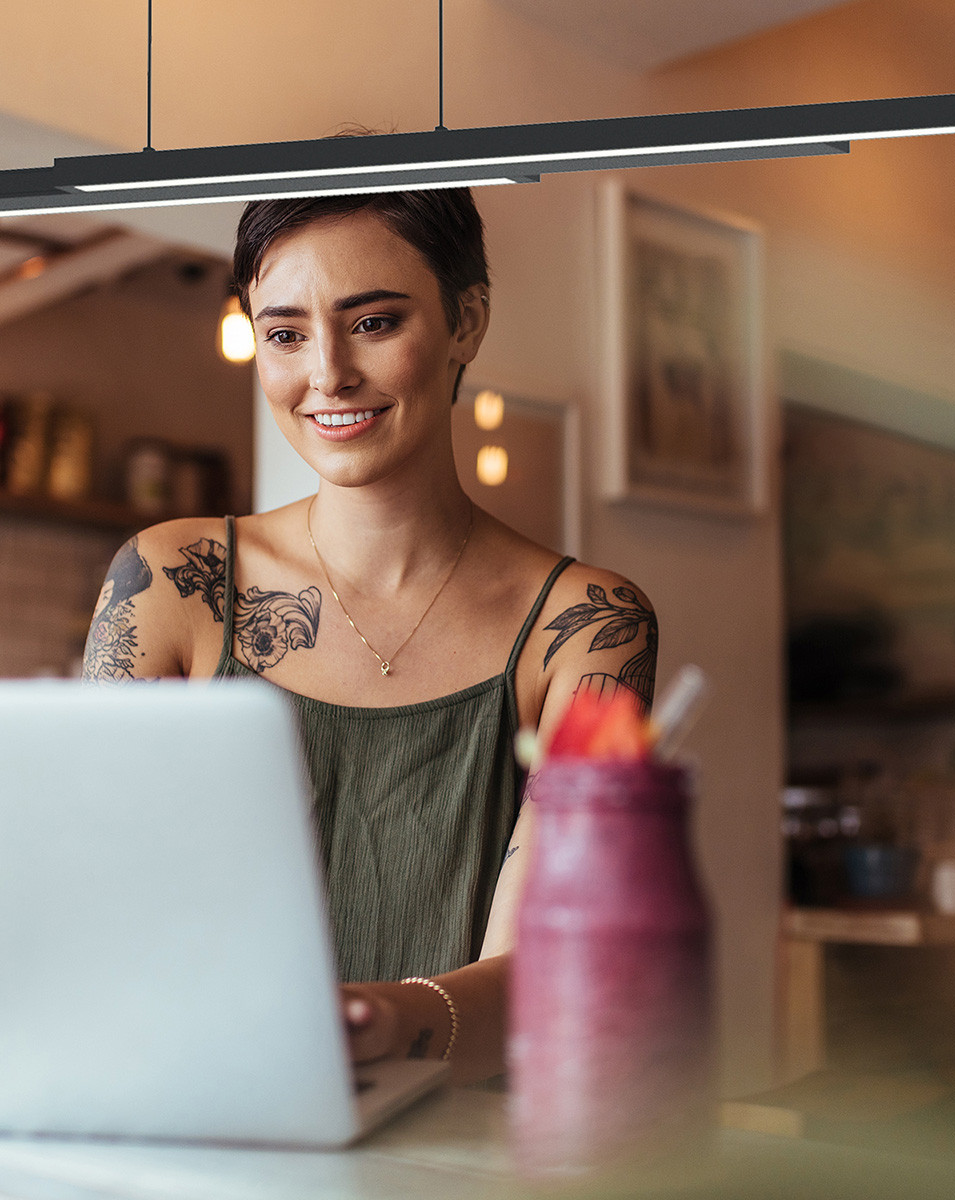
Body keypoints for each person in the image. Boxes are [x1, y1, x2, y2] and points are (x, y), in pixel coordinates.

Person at [82, 188, 657, 1084]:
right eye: (285, 334)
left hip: (453, 1151)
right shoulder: (169, 582)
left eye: (375, 322)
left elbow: (562, 962)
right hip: (198, 1118)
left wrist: (388, 1017)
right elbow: (98, 904)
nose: (328, 373)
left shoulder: (587, 625)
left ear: (467, 321)